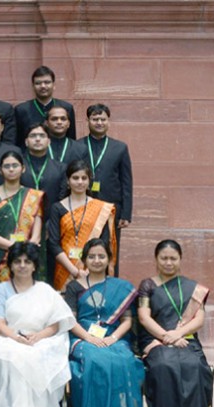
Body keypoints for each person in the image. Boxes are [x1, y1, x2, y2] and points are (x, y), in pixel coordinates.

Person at [0, 242, 76, 407]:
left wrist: (37, 337)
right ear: (11, 265)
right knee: (15, 355)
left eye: (27, 261)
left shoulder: (45, 290)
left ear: (34, 266)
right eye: (17, 261)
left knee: (39, 354)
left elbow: (57, 324)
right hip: (6, 336)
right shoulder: (1, 289)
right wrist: (16, 338)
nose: (22, 265)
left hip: (41, 337)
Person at [62, 238, 144, 407]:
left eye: (101, 256)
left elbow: (127, 321)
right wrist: (89, 338)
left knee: (124, 360)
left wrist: (112, 338)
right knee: (97, 359)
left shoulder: (121, 287)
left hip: (113, 337)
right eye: (91, 257)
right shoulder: (74, 287)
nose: (96, 260)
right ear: (84, 260)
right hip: (82, 338)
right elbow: (70, 321)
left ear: (109, 260)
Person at [137, 239, 212, 407]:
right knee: (164, 365)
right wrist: (166, 336)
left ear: (180, 259)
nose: (168, 262)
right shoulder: (148, 285)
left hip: (185, 339)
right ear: (156, 259)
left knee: (194, 366)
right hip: (155, 339)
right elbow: (144, 317)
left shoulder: (192, 288)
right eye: (164, 258)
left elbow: (199, 319)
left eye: (173, 258)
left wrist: (177, 334)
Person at [48, 160, 117, 290]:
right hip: (64, 270)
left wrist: (91, 269)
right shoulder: (57, 208)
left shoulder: (100, 208)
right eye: (75, 178)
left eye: (84, 178)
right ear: (68, 181)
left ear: (89, 181)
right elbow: (53, 244)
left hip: (94, 270)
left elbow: (103, 243)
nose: (80, 182)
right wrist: (75, 271)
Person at [81, 103, 133, 276]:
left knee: (110, 248)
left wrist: (126, 213)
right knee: (82, 246)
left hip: (111, 208)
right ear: (87, 121)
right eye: (95, 119)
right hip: (83, 205)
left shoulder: (120, 147)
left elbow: (126, 181)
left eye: (102, 119)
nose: (99, 123)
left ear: (108, 121)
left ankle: (112, 286)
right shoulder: (78, 146)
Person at [0, 151, 44, 289]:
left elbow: (36, 236)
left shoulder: (34, 196)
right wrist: (16, 248)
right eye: (7, 166)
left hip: (27, 258)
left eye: (15, 165)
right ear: (0, 170)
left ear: (23, 169)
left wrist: (23, 252)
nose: (11, 169)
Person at [20, 122, 66, 282]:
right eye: (33, 136)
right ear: (26, 141)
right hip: (20, 226)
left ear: (49, 141)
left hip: (51, 229)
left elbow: (62, 199)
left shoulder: (60, 168)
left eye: (42, 136)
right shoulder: (18, 167)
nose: (37, 139)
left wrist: (49, 226)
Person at [14, 65, 76, 147]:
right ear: (33, 86)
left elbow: (71, 139)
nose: (43, 86)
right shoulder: (21, 110)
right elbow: (18, 142)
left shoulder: (66, 108)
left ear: (54, 85)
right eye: (38, 83)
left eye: (47, 82)